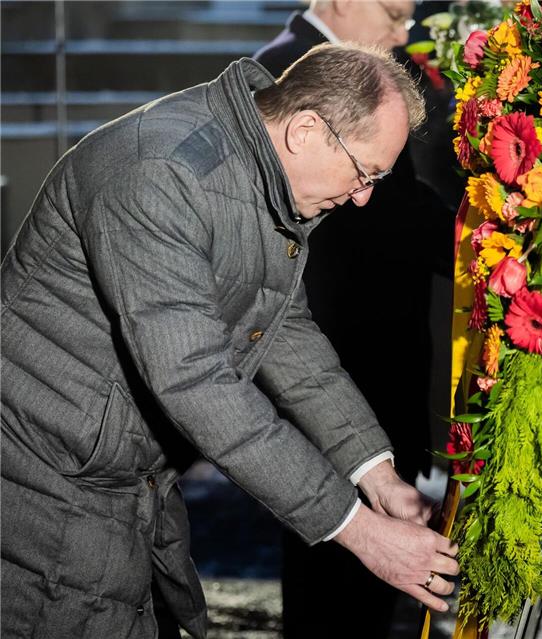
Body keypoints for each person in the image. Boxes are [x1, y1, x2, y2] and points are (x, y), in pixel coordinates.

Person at [0, 44, 457, 639]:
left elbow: (287, 331)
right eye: (364, 171)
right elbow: (196, 382)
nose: (363, 195)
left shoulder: (256, 171)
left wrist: (375, 473)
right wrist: (358, 531)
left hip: (113, 480)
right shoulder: (162, 173)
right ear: (306, 129)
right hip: (39, 483)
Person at [255, 3, 457, 637]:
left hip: (354, 371)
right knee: (334, 597)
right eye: (395, 14)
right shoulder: (286, 76)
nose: (405, 33)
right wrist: (485, 251)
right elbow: (388, 220)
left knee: (357, 599)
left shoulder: (344, 79)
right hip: (339, 364)